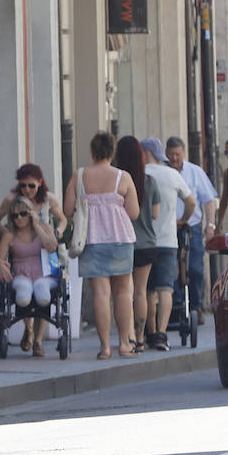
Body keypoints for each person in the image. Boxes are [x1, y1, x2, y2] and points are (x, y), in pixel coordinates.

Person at [63, 132, 140, 359]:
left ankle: (105, 347)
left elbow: (68, 211)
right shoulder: (123, 177)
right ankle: (125, 343)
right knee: (123, 292)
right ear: (112, 152)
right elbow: (134, 213)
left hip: (92, 240)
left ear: (92, 152)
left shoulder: (79, 176)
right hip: (120, 239)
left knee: (100, 293)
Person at [141, 138, 196, 352]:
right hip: (167, 241)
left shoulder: (136, 175)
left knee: (146, 290)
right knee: (166, 289)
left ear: (146, 153)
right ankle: (162, 335)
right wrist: (183, 219)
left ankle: (151, 331)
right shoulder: (172, 174)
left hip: (143, 243)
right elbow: (190, 202)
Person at [0, 197, 61, 356]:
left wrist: (37, 226)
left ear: (31, 213)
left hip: (43, 274)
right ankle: (29, 329)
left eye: (23, 214)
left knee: (42, 291)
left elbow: (52, 247)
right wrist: (1, 265)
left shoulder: (44, 228)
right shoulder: (10, 235)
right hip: (20, 275)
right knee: (24, 292)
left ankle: (36, 338)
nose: (19, 218)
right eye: (15, 216)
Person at [164, 136, 219, 318]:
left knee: (195, 268)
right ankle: (178, 306)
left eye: (177, 154)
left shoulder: (195, 172)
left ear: (183, 153)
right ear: (166, 154)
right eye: (171, 154)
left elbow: (209, 200)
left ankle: (196, 305)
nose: (174, 158)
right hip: (169, 227)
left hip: (192, 226)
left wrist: (210, 225)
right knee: (172, 268)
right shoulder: (162, 172)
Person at [117, 136, 159, 355]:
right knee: (141, 292)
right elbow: (155, 213)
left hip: (123, 241)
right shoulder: (149, 181)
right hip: (147, 242)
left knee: (123, 291)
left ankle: (128, 338)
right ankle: (141, 338)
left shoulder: (117, 180)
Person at [0, 164, 68, 237]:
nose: (27, 190)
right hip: (19, 246)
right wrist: (9, 235)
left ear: (39, 182)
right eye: (23, 186)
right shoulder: (11, 199)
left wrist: (57, 232)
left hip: (43, 243)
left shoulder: (48, 199)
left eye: (31, 186)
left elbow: (62, 220)